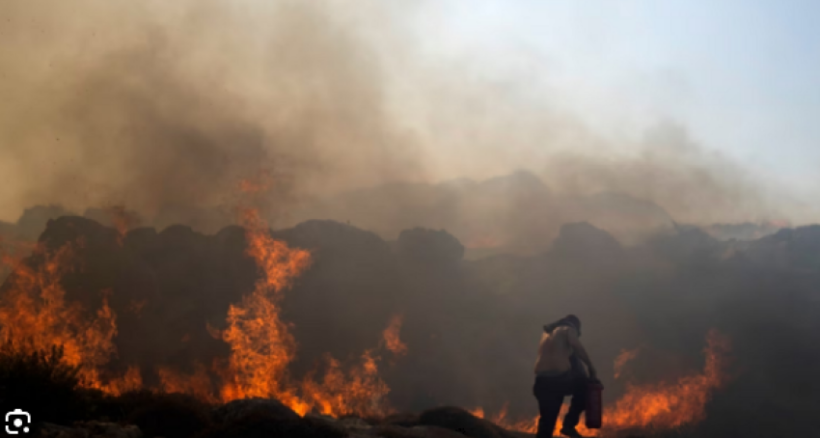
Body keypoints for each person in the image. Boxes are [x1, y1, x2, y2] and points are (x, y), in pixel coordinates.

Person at [532, 315, 598, 438]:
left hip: (541, 382)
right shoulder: (568, 329)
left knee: (547, 423)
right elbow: (577, 346)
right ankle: (569, 425)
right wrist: (591, 367)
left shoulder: (547, 334)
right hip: (559, 380)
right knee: (585, 387)